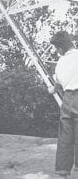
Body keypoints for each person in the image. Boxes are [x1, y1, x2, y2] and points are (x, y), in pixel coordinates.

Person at [49, 30, 78, 178]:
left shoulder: (60, 63)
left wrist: (52, 89)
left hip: (67, 99)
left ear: (60, 48)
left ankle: (62, 173)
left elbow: (56, 84)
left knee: (65, 138)